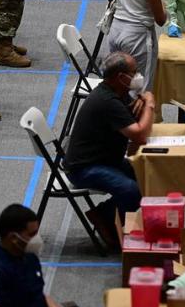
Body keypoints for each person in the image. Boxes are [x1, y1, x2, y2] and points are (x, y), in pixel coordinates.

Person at [65, 52, 156, 246]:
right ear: (121, 77)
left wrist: (140, 105)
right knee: (132, 190)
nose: (138, 76)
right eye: (134, 72)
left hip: (106, 159)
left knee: (148, 177)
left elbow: (133, 125)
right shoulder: (107, 101)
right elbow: (139, 134)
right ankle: (105, 217)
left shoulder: (117, 93)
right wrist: (150, 103)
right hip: (84, 167)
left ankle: (107, 214)